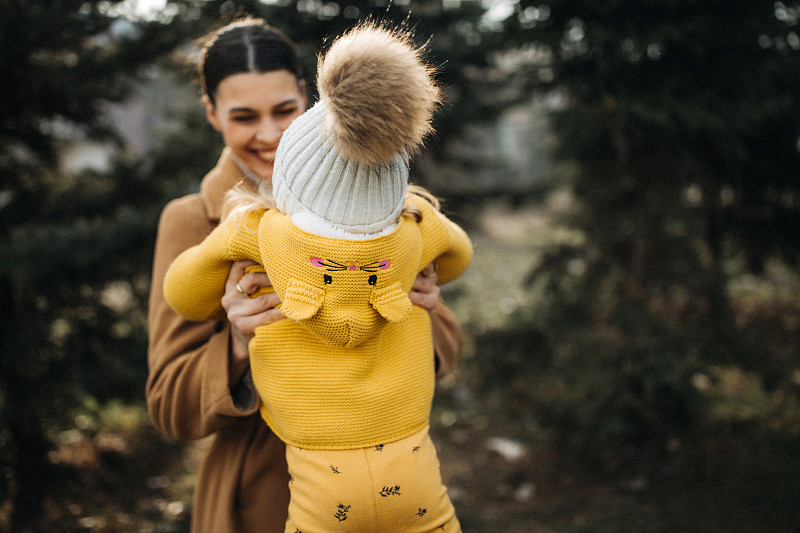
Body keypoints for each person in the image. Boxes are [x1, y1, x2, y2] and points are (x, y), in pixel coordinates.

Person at [145, 17, 464, 533]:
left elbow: (446, 352)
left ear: (308, 99)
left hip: (392, 488)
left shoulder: (384, 206)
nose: (269, 134)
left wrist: (422, 302)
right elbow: (167, 406)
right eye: (244, 116)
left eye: (285, 111)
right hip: (259, 496)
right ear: (212, 114)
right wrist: (238, 344)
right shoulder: (192, 222)